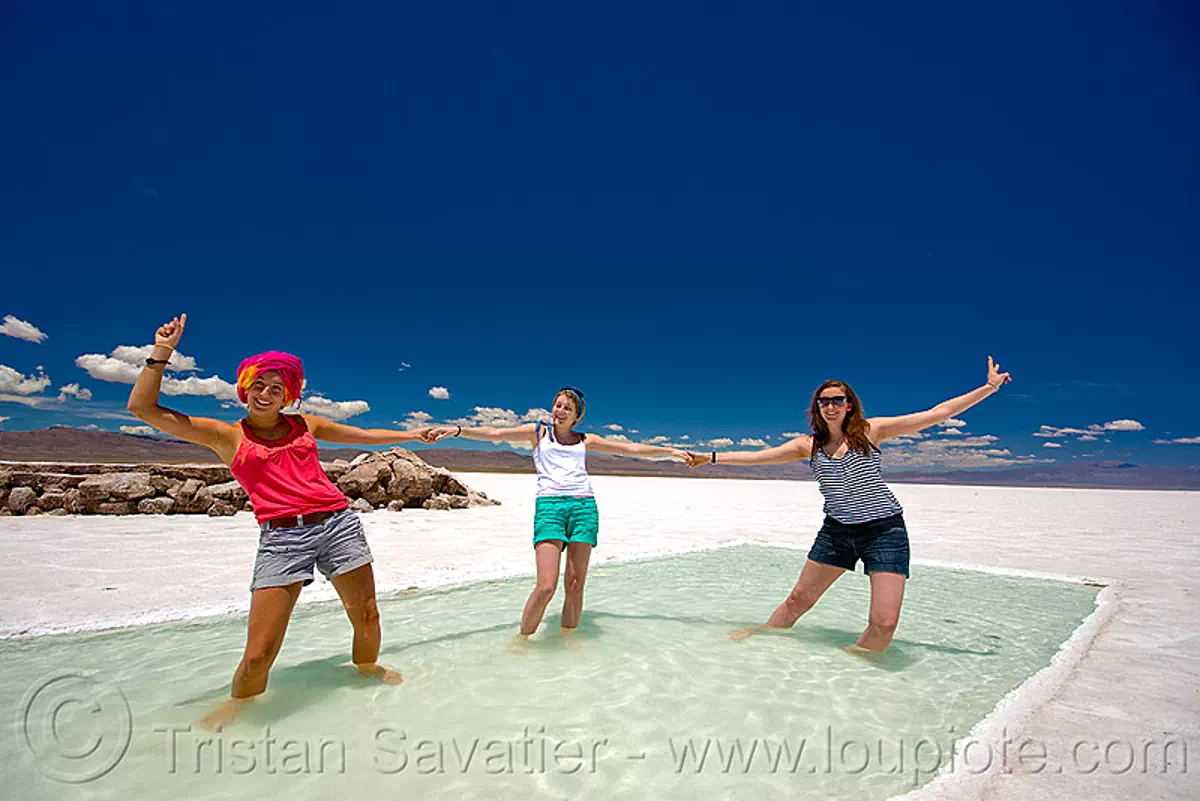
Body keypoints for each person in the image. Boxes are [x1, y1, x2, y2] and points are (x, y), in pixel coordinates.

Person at [126, 314, 437, 727]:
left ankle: (366, 670)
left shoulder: (305, 425)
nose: (267, 394)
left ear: (288, 395)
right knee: (259, 652)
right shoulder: (226, 435)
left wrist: (412, 435)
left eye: (277, 388)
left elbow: (360, 435)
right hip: (282, 538)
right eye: (259, 385)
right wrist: (161, 351)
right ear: (245, 389)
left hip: (337, 524)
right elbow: (142, 408)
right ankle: (240, 705)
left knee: (367, 616)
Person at [684, 357, 1012, 652]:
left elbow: (937, 414)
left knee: (884, 624)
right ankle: (766, 641)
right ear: (817, 408)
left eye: (837, 400)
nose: (830, 406)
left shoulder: (871, 431)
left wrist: (988, 388)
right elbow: (758, 457)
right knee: (798, 599)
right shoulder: (808, 445)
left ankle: (855, 670)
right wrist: (709, 458)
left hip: (884, 531)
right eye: (823, 401)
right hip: (837, 531)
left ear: (849, 405)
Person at [428, 388, 685, 639]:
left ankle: (568, 641)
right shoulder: (538, 433)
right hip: (550, 508)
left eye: (567, 408)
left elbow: (628, 449)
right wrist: (458, 430)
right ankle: (522, 641)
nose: (560, 411)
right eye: (558, 405)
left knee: (574, 585)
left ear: (577, 416)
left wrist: (669, 452)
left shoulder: (586, 440)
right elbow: (494, 432)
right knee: (546, 586)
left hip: (583, 508)